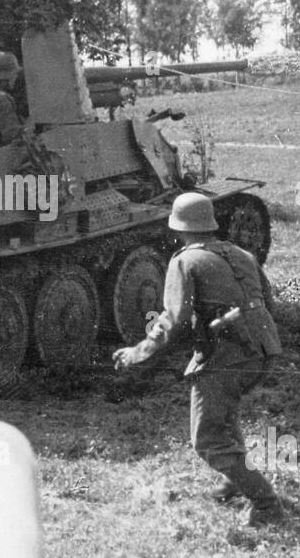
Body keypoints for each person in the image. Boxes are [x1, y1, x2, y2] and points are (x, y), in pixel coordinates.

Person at [113, 193, 290, 527]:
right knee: (223, 415)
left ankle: (266, 504)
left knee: (207, 437)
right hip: (265, 350)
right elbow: (267, 301)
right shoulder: (241, 254)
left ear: (177, 228)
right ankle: (233, 480)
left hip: (227, 356)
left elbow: (172, 321)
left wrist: (136, 354)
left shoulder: (184, 261)